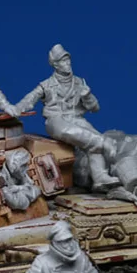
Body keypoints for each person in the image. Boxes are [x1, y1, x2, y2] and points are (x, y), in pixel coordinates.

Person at [13, 44, 120, 191]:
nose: (67, 63)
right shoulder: (46, 85)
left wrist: (87, 96)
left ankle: (100, 177)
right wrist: (15, 109)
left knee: (92, 137)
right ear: (55, 65)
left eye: (68, 60)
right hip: (56, 120)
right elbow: (29, 100)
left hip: (76, 118)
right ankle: (105, 143)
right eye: (63, 61)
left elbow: (95, 108)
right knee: (87, 137)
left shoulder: (79, 82)